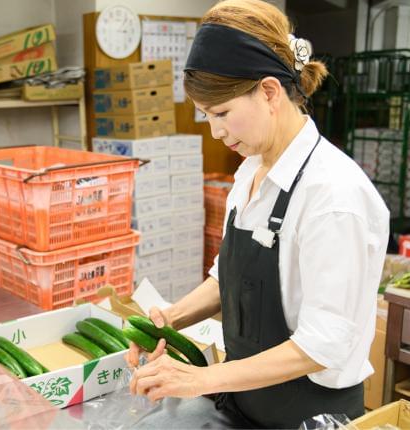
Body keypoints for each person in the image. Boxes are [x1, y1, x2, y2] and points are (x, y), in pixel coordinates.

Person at [127, 0, 390, 428]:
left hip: (308, 416)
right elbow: (225, 278)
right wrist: (168, 322)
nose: (216, 131)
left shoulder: (334, 198)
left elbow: (320, 347)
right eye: (206, 116)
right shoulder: (251, 172)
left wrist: (200, 378)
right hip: (244, 404)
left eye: (222, 113)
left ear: (269, 92)